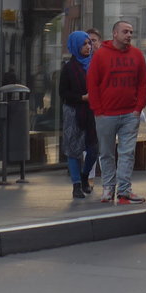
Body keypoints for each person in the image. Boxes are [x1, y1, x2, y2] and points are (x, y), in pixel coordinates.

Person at [87, 19, 146, 204]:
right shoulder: (101, 55)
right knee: (106, 153)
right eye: (125, 32)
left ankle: (124, 190)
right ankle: (108, 189)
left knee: (127, 153)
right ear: (115, 34)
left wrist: (138, 108)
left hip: (130, 113)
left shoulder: (137, 55)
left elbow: (143, 83)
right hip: (106, 114)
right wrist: (98, 110)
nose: (129, 35)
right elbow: (93, 83)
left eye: (131, 32)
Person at [59, 31, 98, 199]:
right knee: (73, 150)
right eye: (84, 44)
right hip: (74, 111)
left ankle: (84, 175)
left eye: (89, 43)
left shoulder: (95, 65)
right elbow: (63, 92)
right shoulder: (68, 68)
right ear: (76, 46)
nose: (88, 47)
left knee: (93, 149)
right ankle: (76, 185)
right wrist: (82, 97)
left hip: (93, 111)